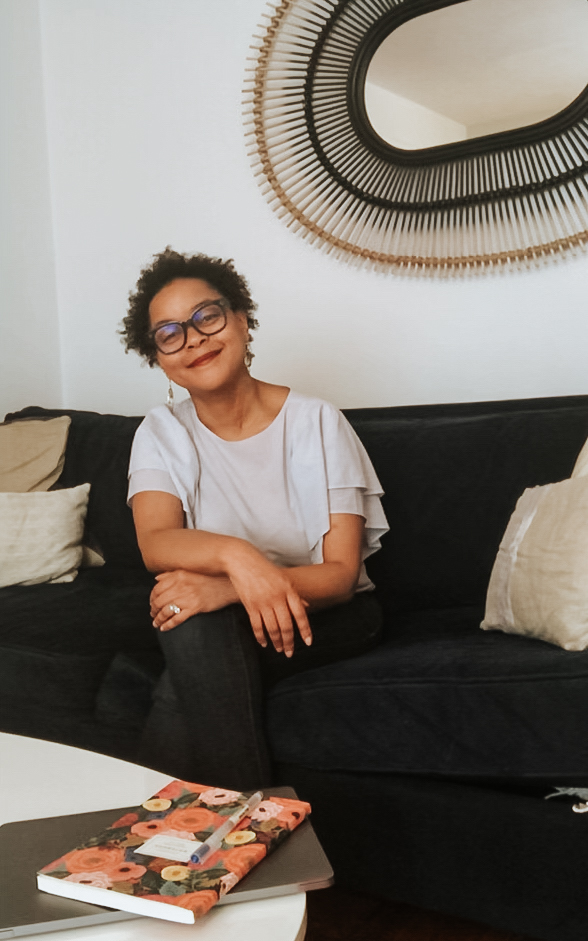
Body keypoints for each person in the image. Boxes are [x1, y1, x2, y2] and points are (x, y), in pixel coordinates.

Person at [120, 247, 389, 790]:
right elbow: (156, 543)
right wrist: (236, 557)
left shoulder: (317, 422)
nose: (193, 339)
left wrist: (226, 588)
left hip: (330, 614)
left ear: (242, 320)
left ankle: (160, 840)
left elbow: (338, 576)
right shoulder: (160, 432)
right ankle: (253, 828)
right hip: (228, 624)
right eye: (170, 333)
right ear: (158, 358)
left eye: (207, 316)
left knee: (189, 632)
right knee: (189, 619)